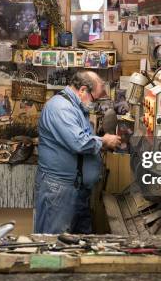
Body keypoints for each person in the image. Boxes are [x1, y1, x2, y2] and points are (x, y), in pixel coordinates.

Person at [34, 71, 121, 234]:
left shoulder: (76, 107)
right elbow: (79, 142)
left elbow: (83, 137)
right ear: (82, 90)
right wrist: (103, 141)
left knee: (79, 241)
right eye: (94, 98)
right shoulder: (61, 108)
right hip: (59, 188)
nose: (94, 103)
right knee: (53, 241)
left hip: (77, 187)